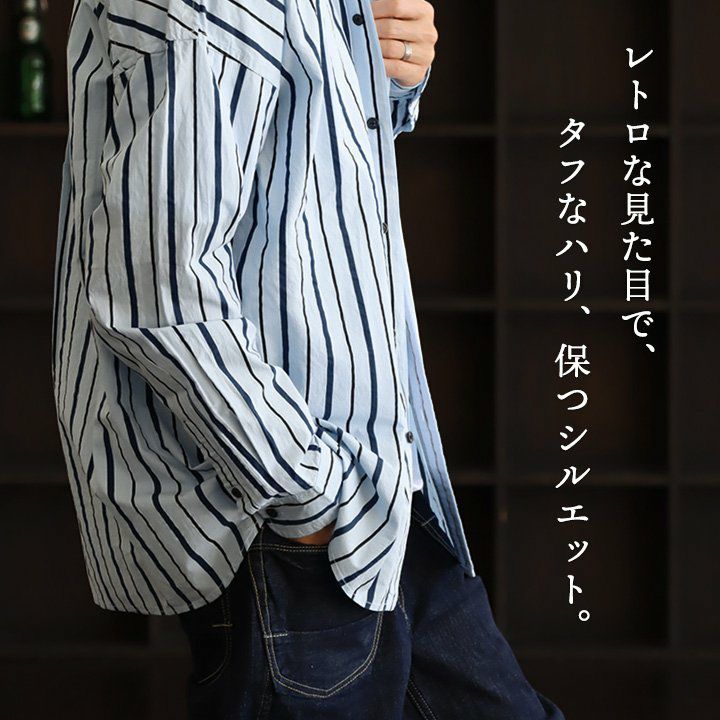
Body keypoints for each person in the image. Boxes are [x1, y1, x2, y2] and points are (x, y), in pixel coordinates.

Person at [52, 0, 567, 717]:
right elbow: (157, 284)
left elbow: (298, 157)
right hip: (284, 505)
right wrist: (304, 490)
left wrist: (388, 75)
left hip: (372, 483)